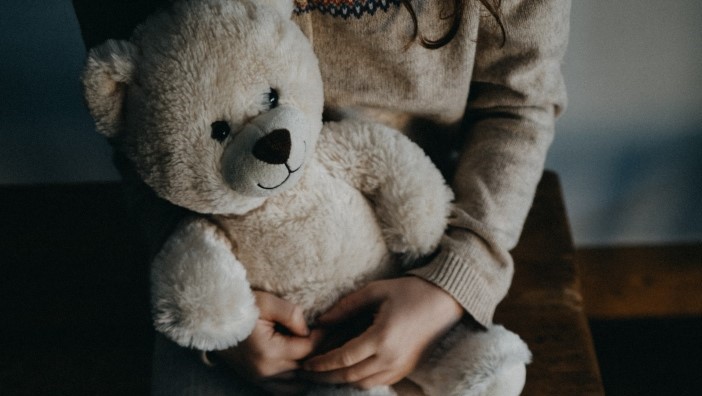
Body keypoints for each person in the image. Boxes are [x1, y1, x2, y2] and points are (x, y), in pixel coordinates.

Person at [74, 0, 570, 394]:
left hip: (426, 256)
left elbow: (517, 105)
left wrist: (455, 281)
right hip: (234, 265)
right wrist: (221, 325)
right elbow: (140, 131)